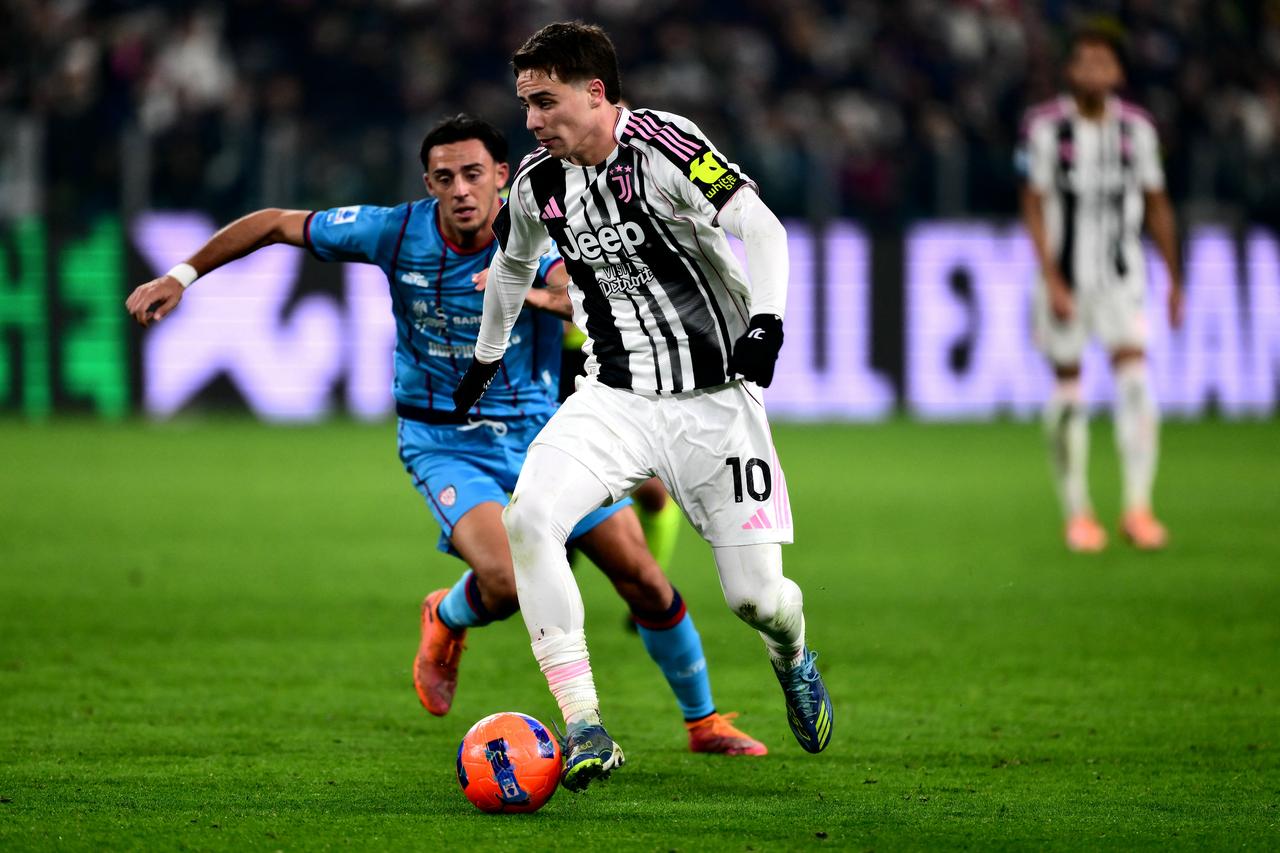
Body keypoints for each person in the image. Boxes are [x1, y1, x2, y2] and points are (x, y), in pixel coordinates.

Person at [124, 114, 766, 758]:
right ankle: (449, 615)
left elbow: (592, 294)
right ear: (428, 183)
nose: (460, 189)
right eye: (444, 177)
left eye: (473, 174)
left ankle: (704, 723)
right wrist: (179, 277)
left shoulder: (547, 230)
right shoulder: (394, 232)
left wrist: (533, 296)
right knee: (510, 584)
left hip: (548, 439)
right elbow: (271, 223)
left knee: (645, 582)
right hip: (445, 442)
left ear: (502, 177)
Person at [453, 22, 832, 793]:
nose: (530, 120)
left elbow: (761, 226)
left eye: (545, 101)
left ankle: (793, 655)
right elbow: (509, 268)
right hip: (613, 397)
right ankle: (586, 723)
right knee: (530, 519)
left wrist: (767, 322)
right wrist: (487, 357)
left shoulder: (667, 145)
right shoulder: (537, 184)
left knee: (757, 598)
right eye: (525, 103)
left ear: (595, 93)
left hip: (715, 402)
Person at [1018, 28, 1184, 553]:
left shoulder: (1138, 130)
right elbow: (1033, 202)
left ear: (1118, 74)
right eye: (1084, 61)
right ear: (1072, 71)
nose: (1093, 71)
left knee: (1136, 383)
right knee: (1070, 393)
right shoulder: (1045, 128)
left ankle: (1138, 508)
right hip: (1065, 283)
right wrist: (1051, 276)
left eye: (1102, 63)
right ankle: (1078, 514)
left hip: (1122, 279)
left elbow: (1157, 203)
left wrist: (1175, 278)